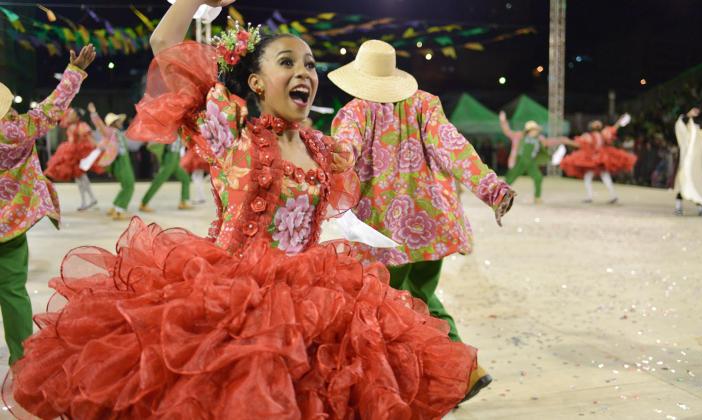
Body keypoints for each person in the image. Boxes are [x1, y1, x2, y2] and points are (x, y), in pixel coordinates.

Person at [8, 1, 475, 418]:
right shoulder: (233, 133)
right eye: (287, 62)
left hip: (316, 303)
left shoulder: (324, 148)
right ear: (255, 81)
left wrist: (388, 234)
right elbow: (165, 42)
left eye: (309, 64)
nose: (304, 72)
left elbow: (346, 206)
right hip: (230, 298)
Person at [330, 39, 515, 403]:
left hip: (383, 233)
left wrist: (329, 165)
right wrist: (491, 187)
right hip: (432, 227)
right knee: (421, 297)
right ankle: (464, 372)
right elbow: (454, 148)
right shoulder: (426, 105)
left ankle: (404, 383)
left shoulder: (354, 113)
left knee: (385, 306)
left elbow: (344, 151)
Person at [0, 45, 95, 366]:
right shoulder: (16, 130)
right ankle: (20, 360)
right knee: (12, 291)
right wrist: (75, 71)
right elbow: (49, 110)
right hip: (9, 225)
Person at [560, 117, 636, 204]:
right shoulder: (595, 135)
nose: (597, 123)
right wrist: (567, 141)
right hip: (597, 158)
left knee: (595, 177)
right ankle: (609, 196)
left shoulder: (599, 134)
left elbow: (613, 128)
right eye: (595, 123)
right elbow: (579, 144)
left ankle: (595, 196)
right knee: (599, 176)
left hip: (597, 158)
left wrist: (619, 122)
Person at [499, 113, 566, 203]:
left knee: (538, 177)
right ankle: (499, 196)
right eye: (535, 130)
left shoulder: (539, 139)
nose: (537, 131)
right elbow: (507, 131)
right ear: (529, 130)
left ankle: (537, 197)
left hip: (531, 162)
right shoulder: (519, 136)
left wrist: (562, 140)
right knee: (509, 179)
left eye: (537, 130)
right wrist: (503, 121)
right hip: (520, 161)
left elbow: (549, 142)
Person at [44, 106, 101, 211]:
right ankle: (89, 199)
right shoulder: (70, 125)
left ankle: (88, 200)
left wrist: (97, 146)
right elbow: (61, 118)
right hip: (70, 152)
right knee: (80, 179)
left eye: (72, 114)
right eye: (70, 114)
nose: (70, 115)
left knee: (81, 178)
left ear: (78, 117)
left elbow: (89, 138)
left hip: (77, 154)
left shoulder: (81, 126)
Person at [88, 102, 134, 220]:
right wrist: (94, 113)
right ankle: (119, 210)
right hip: (120, 162)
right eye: (118, 120)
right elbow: (100, 126)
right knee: (129, 186)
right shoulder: (110, 131)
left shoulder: (118, 133)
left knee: (126, 186)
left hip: (124, 161)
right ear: (113, 123)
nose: (120, 122)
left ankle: (115, 207)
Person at [138, 136, 193, 212]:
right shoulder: (170, 130)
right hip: (169, 158)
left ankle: (183, 202)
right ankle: (144, 203)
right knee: (158, 182)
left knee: (185, 178)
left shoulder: (180, 132)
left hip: (175, 158)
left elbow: (183, 144)